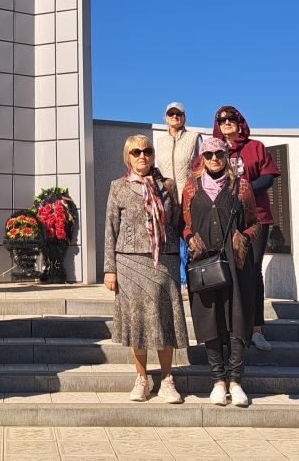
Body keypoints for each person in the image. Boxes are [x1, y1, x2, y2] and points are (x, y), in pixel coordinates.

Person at [102, 135, 188, 404]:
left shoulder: (167, 186)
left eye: (147, 151)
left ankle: (167, 379)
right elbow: (110, 228)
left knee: (165, 319)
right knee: (137, 322)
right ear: (128, 156)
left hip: (164, 260)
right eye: (136, 152)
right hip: (129, 261)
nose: (142, 156)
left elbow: (175, 222)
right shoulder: (118, 187)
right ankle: (141, 378)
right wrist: (109, 269)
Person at [180, 136, 261, 408]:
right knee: (209, 318)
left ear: (226, 156)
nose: (214, 158)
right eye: (209, 154)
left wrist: (245, 237)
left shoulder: (241, 186)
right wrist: (190, 237)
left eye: (219, 154)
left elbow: (255, 222)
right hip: (204, 263)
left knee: (237, 318)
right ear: (201, 159)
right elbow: (184, 223)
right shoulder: (191, 188)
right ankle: (218, 380)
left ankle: (236, 380)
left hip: (236, 263)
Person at [212, 105, 281, 352]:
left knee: (252, 271)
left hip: (256, 219)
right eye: (222, 120)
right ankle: (229, 329)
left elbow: (268, 177)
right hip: (222, 222)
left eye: (231, 118)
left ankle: (256, 329)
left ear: (240, 122)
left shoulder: (256, 147)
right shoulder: (213, 150)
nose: (227, 122)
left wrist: (243, 189)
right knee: (225, 273)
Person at [154, 102, 200, 284]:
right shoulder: (160, 142)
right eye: (171, 114)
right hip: (166, 198)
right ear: (165, 117)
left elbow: (201, 166)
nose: (175, 117)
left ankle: (186, 280)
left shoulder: (194, 137)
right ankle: (175, 278)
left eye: (178, 114)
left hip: (189, 196)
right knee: (170, 237)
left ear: (184, 117)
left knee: (186, 237)